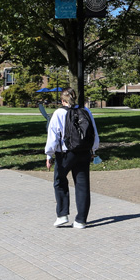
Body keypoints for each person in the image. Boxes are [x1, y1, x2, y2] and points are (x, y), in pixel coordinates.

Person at [45, 88, 99, 229]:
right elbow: (93, 132)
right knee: (82, 185)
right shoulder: (86, 111)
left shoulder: (59, 113)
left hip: (65, 154)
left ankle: (62, 215)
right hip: (84, 152)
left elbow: (53, 135)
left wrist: (49, 154)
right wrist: (93, 150)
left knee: (60, 181)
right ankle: (81, 220)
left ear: (63, 100)